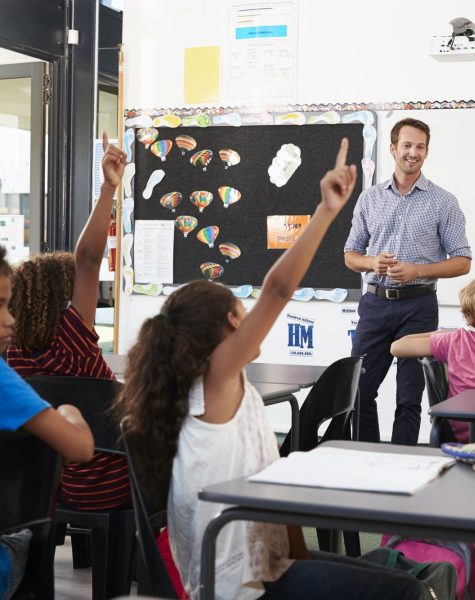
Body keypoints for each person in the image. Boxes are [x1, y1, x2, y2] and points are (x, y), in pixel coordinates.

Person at [114, 140, 428, 600]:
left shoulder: (201, 391)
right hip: (240, 586)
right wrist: (325, 210)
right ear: (228, 328)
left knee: (394, 577)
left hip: (261, 565)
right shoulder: (215, 384)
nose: (251, 319)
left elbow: (274, 500)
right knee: (404, 592)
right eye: (242, 312)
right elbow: (278, 290)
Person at [6, 133, 128, 511]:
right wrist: (108, 190)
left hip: (51, 488)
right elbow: (89, 259)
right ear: (66, 294)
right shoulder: (72, 338)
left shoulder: (11, 360)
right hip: (113, 480)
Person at [344, 118, 472, 445]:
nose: (413, 153)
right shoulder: (369, 198)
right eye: (407, 145)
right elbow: (350, 254)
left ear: (427, 152)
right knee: (359, 390)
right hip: (374, 305)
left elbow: (462, 261)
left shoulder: (444, 202)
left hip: (418, 307)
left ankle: (402, 462)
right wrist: (372, 262)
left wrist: (417, 270)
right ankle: (370, 456)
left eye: (420, 147)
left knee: (409, 397)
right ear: (393, 148)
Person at [0, 244, 94, 599]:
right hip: (90, 489)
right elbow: (81, 447)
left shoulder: (16, 357)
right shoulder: (5, 380)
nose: (10, 319)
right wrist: (69, 412)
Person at [390, 273, 475, 443]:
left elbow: (397, 347)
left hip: (461, 437)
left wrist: (446, 334)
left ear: (467, 315)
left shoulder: (454, 341)